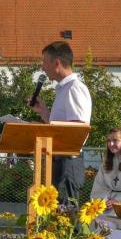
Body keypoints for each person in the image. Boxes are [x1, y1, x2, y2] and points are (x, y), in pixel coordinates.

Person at [29, 41, 92, 203]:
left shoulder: (74, 88)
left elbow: (77, 131)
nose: (42, 67)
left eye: (45, 62)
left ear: (57, 63)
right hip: (60, 161)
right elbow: (64, 126)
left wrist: (43, 129)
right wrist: (44, 113)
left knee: (66, 215)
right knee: (57, 214)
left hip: (68, 163)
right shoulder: (64, 89)